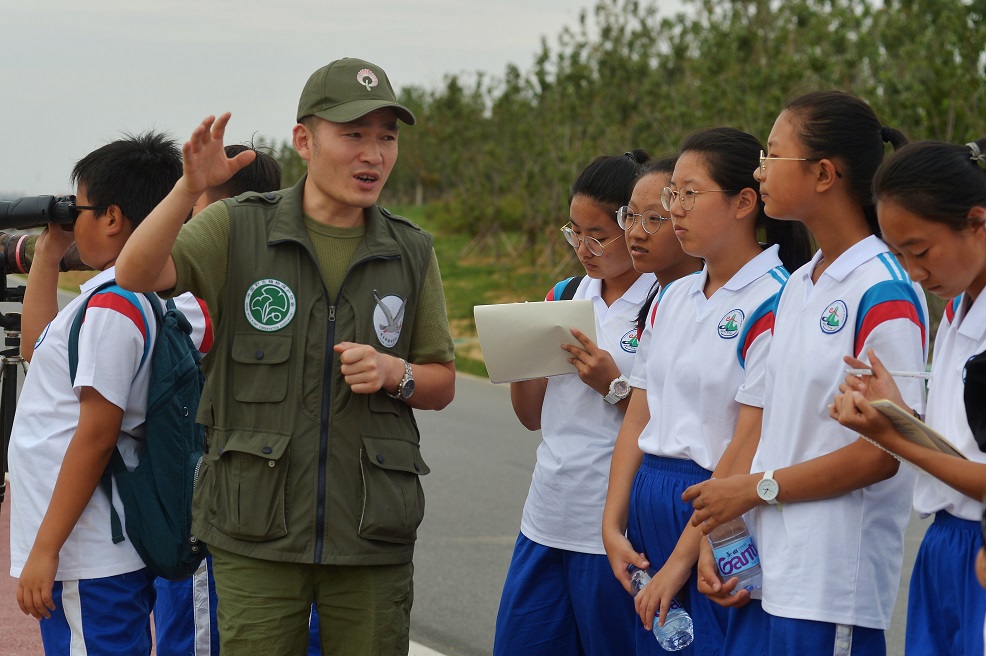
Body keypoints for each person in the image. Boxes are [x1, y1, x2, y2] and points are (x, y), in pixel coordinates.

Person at [114, 57, 456, 655]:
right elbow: (135, 273)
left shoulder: (410, 250)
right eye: (353, 135)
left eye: (386, 137)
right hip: (256, 532)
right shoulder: (237, 228)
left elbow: (442, 380)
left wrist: (395, 373)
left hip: (371, 537)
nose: (372, 155)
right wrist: (188, 187)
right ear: (304, 140)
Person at [684, 91, 927, 655]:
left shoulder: (883, 289)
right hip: (768, 573)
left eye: (772, 156)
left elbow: (886, 452)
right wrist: (718, 531)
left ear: (823, 174)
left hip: (830, 586)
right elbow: (765, 424)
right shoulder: (800, 285)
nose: (758, 170)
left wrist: (755, 490)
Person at [602, 127, 811, 656]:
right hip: (650, 499)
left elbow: (749, 441)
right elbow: (638, 416)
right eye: (671, 193)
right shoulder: (673, 297)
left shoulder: (776, 303)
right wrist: (612, 521)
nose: (674, 209)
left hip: (715, 510)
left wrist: (681, 560)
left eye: (688, 194)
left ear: (745, 202)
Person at [8, 132, 186, 654]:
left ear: (111, 217)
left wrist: (46, 549)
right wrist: (49, 254)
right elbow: (42, 358)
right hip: (87, 550)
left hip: (85, 553)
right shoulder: (118, 299)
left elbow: (96, 434)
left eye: (78, 207)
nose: (71, 218)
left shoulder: (114, 308)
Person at [495, 149, 671, 656]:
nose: (584, 247)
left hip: (615, 531)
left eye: (598, 235)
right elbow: (531, 418)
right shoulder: (566, 294)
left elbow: (677, 424)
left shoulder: (665, 300)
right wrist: (519, 357)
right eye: (574, 232)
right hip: (547, 518)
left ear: (633, 224)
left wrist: (613, 384)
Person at [829, 138, 986, 655]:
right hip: (943, 545)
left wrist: (890, 436)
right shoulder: (959, 309)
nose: (914, 272)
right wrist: (899, 412)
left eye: (919, 251)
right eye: (899, 255)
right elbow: (961, 449)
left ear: (977, 223)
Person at [152, 143, 282, 656]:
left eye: (195, 210)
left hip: (212, 505)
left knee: (199, 635)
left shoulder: (201, 295)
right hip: (278, 512)